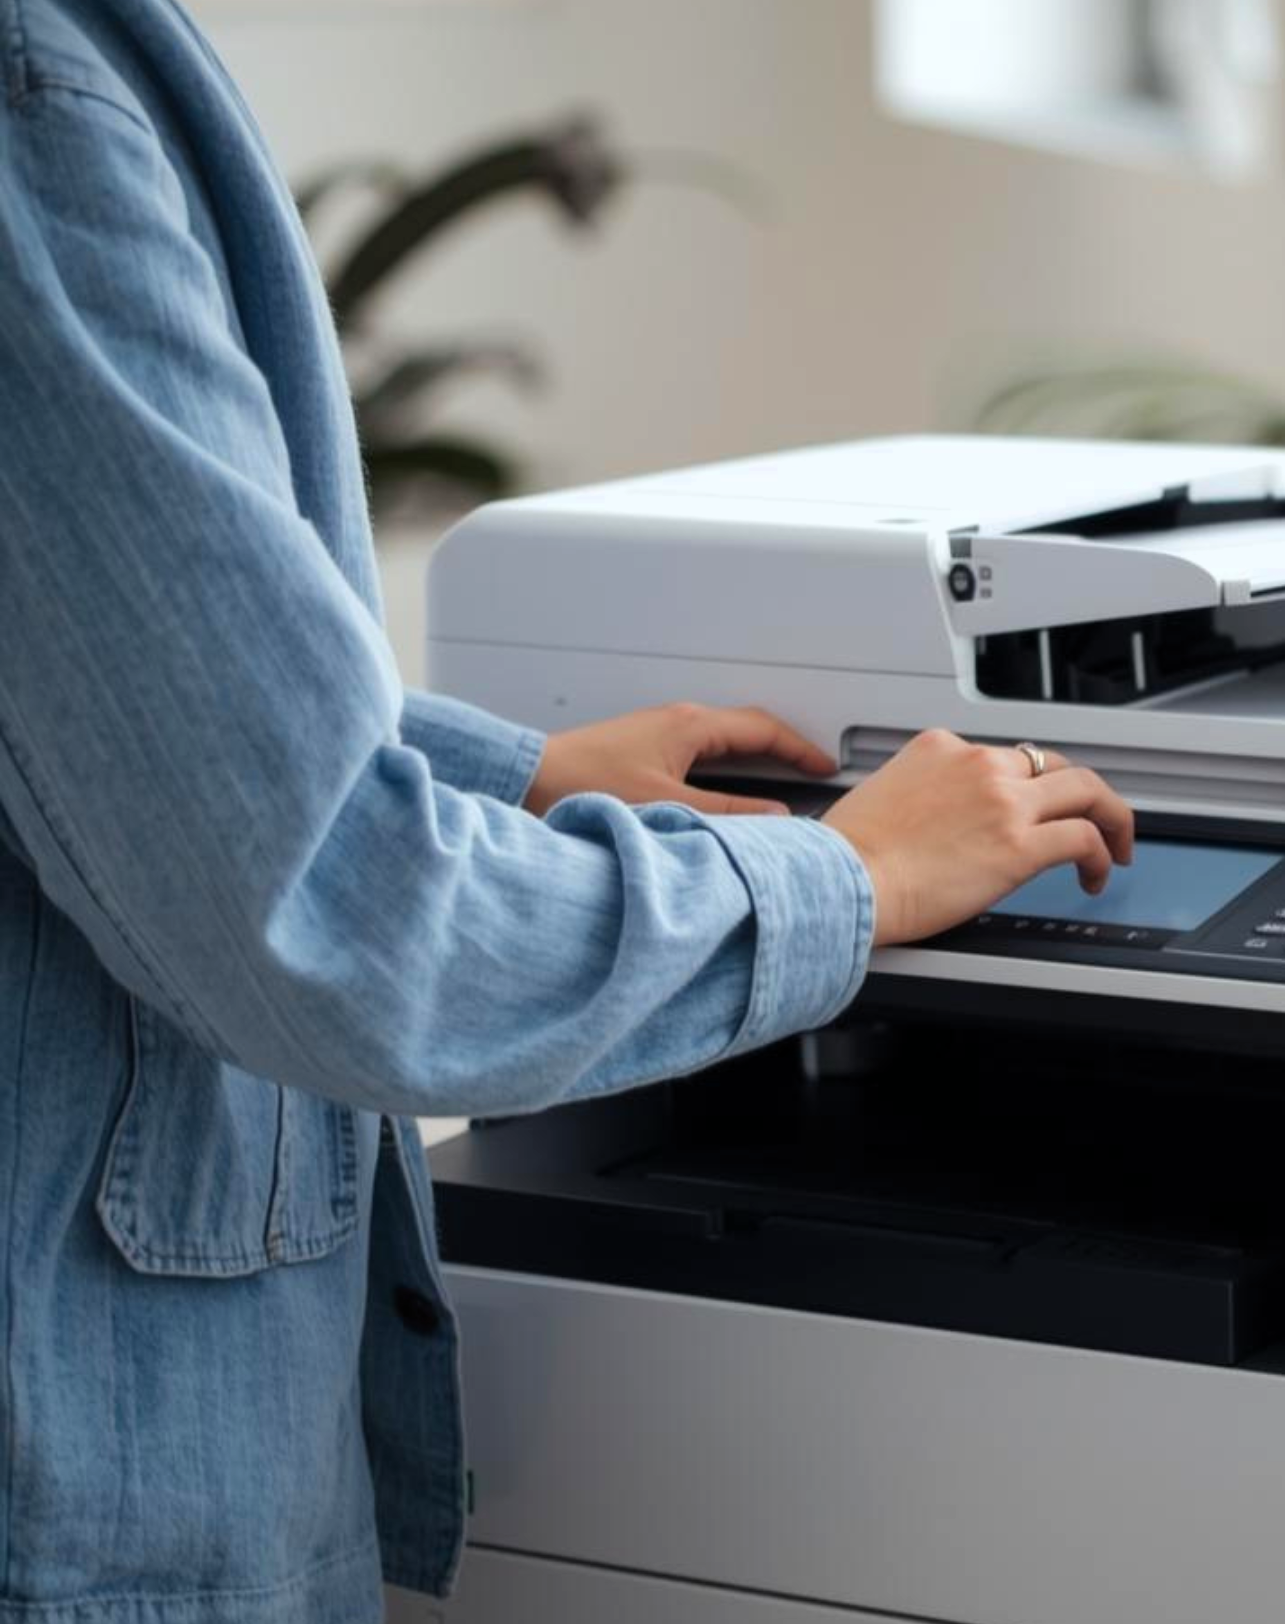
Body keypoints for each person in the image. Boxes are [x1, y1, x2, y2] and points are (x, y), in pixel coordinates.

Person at [0, 2, 1135, 1620]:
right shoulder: (35, 119)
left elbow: (91, 680)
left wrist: (510, 776)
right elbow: (349, 920)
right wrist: (843, 876)